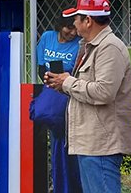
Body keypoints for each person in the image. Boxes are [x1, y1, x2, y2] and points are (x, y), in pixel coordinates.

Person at [44, 0, 131, 193]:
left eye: (76, 19)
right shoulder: (91, 47)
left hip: (101, 144)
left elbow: (104, 91)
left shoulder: (109, 48)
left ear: (87, 21)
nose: (74, 24)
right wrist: (61, 83)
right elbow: (87, 88)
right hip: (90, 141)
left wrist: (67, 82)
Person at [35, 16, 82, 193]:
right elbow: (41, 66)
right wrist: (50, 84)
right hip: (51, 91)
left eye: (75, 29)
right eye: (68, 28)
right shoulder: (47, 37)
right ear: (60, 26)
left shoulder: (79, 44)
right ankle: (59, 184)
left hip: (68, 94)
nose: (72, 33)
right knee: (56, 139)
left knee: (68, 141)